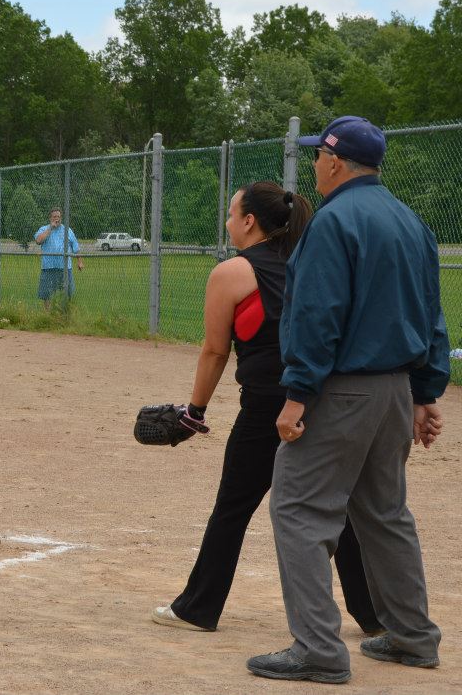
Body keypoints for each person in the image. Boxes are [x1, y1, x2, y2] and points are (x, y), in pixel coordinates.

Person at [247, 116, 448, 684]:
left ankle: (318, 650)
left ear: (335, 162)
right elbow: (432, 315)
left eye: (318, 156)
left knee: (300, 507)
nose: (314, 165)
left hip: (343, 389)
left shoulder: (334, 221)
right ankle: (413, 637)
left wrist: (297, 394)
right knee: (385, 513)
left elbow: (317, 316)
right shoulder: (411, 221)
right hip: (394, 392)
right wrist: (426, 391)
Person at [151, 182, 380, 636]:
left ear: (251, 221)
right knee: (339, 507)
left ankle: (198, 608)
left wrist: (195, 411)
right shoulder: (315, 262)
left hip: (266, 408)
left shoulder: (233, 272)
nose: (229, 221)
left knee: (233, 507)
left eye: (232, 213)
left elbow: (215, 352)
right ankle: (374, 615)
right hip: (321, 399)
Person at [34, 208, 83, 308]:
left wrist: (80, 262)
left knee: (68, 293)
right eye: (54, 217)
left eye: (58, 216)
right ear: (50, 218)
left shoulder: (67, 230)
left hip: (64, 268)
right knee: (46, 295)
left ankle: (65, 314)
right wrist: (50, 229)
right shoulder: (44, 229)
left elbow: (76, 247)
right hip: (48, 267)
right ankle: (47, 316)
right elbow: (38, 240)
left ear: (61, 218)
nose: (57, 219)